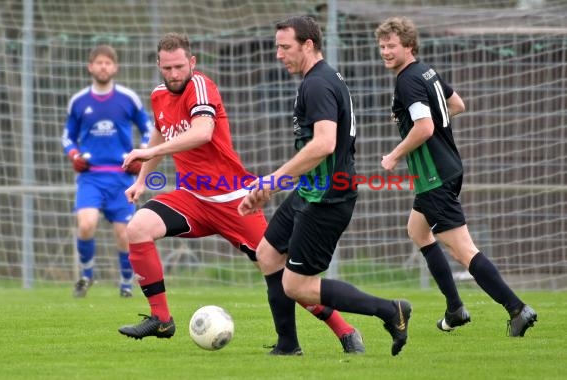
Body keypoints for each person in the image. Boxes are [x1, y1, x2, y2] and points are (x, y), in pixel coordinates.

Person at [117, 32, 365, 354]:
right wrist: (142, 180)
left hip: (233, 201)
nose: (174, 74)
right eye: (167, 68)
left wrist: (147, 154)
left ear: (192, 62)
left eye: (180, 66)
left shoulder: (201, 87)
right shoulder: (159, 95)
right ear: (159, 66)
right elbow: (159, 133)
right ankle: (161, 319)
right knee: (137, 229)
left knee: (280, 272)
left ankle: (345, 331)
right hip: (191, 198)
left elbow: (203, 132)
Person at [238, 16, 411, 356]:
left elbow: (324, 144)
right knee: (268, 254)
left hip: (327, 197)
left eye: (285, 47)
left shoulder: (316, 84)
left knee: (297, 285)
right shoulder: (320, 79)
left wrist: (272, 181)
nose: (278, 54)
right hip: (311, 190)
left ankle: (391, 310)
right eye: (277, 46)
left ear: (308, 45)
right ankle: (288, 345)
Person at [375, 17, 537, 337]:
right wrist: (430, 124)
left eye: (392, 46)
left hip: (434, 176)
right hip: (446, 168)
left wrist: (394, 154)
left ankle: (517, 309)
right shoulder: (427, 71)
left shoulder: (407, 80)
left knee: (463, 250)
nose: (385, 52)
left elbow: (424, 127)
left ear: (409, 45)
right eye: (382, 47)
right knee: (418, 231)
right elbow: (457, 104)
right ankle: (454, 309)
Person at [62, 44, 152, 298]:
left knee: (124, 234)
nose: (103, 67)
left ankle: (125, 283)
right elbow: (67, 136)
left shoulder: (128, 99)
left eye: (108, 63)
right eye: (98, 62)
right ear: (90, 67)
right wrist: (74, 155)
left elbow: (148, 128)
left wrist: (142, 152)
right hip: (90, 176)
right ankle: (86, 275)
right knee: (86, 224)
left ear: (115, 67)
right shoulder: (79, 101)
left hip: (122, 176)